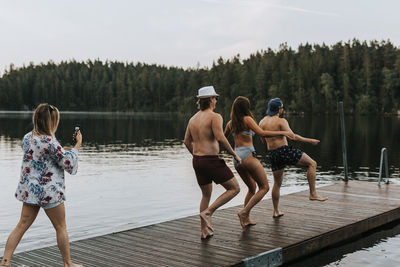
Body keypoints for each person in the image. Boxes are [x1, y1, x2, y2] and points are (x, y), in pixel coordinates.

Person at [1, 104, 83, 267]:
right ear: (51, 122)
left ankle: (5, 261)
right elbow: (67, 163)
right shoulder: (51, 142)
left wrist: (62, 149)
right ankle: (68, 263)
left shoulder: (27, 138)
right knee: (61, 227)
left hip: (30, 192)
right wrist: (77, 146)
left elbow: (41, 154)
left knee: (21, 225)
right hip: (49, 192)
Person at [224, 96, 294, 227]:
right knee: (264, 187)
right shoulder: (248, 119)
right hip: (248, 155)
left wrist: (228, 152)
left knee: (252, 188)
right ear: (246, 108)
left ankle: (246, 218)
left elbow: (222, 138)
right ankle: (244, 212)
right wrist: (283, 132)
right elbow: (261, 133)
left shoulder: (230, 123)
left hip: (236, 157)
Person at [184, 86, 242, 239]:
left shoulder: (193, 119)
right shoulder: (215, 117)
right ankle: (209, 212)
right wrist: (234, 154)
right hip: (210, 160)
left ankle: (204, 231)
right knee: (234, 188)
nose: (216, 100)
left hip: (197, 161)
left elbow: (186, 141)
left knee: (205, 195)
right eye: (215, 98)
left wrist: (197, 156)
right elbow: (221, 138)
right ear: (210, 99)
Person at [259, 98, 328, 218]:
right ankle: (313, 193)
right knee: (312, 164)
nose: (282, 109)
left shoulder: (262, 122)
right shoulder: (281, 121)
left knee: (277, 183)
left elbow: (262, 140)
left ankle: (276, 211)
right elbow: (293, 137)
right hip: (284, 151)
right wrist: (310, 141)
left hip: (272, 154)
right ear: (279, 109)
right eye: (282, 107)